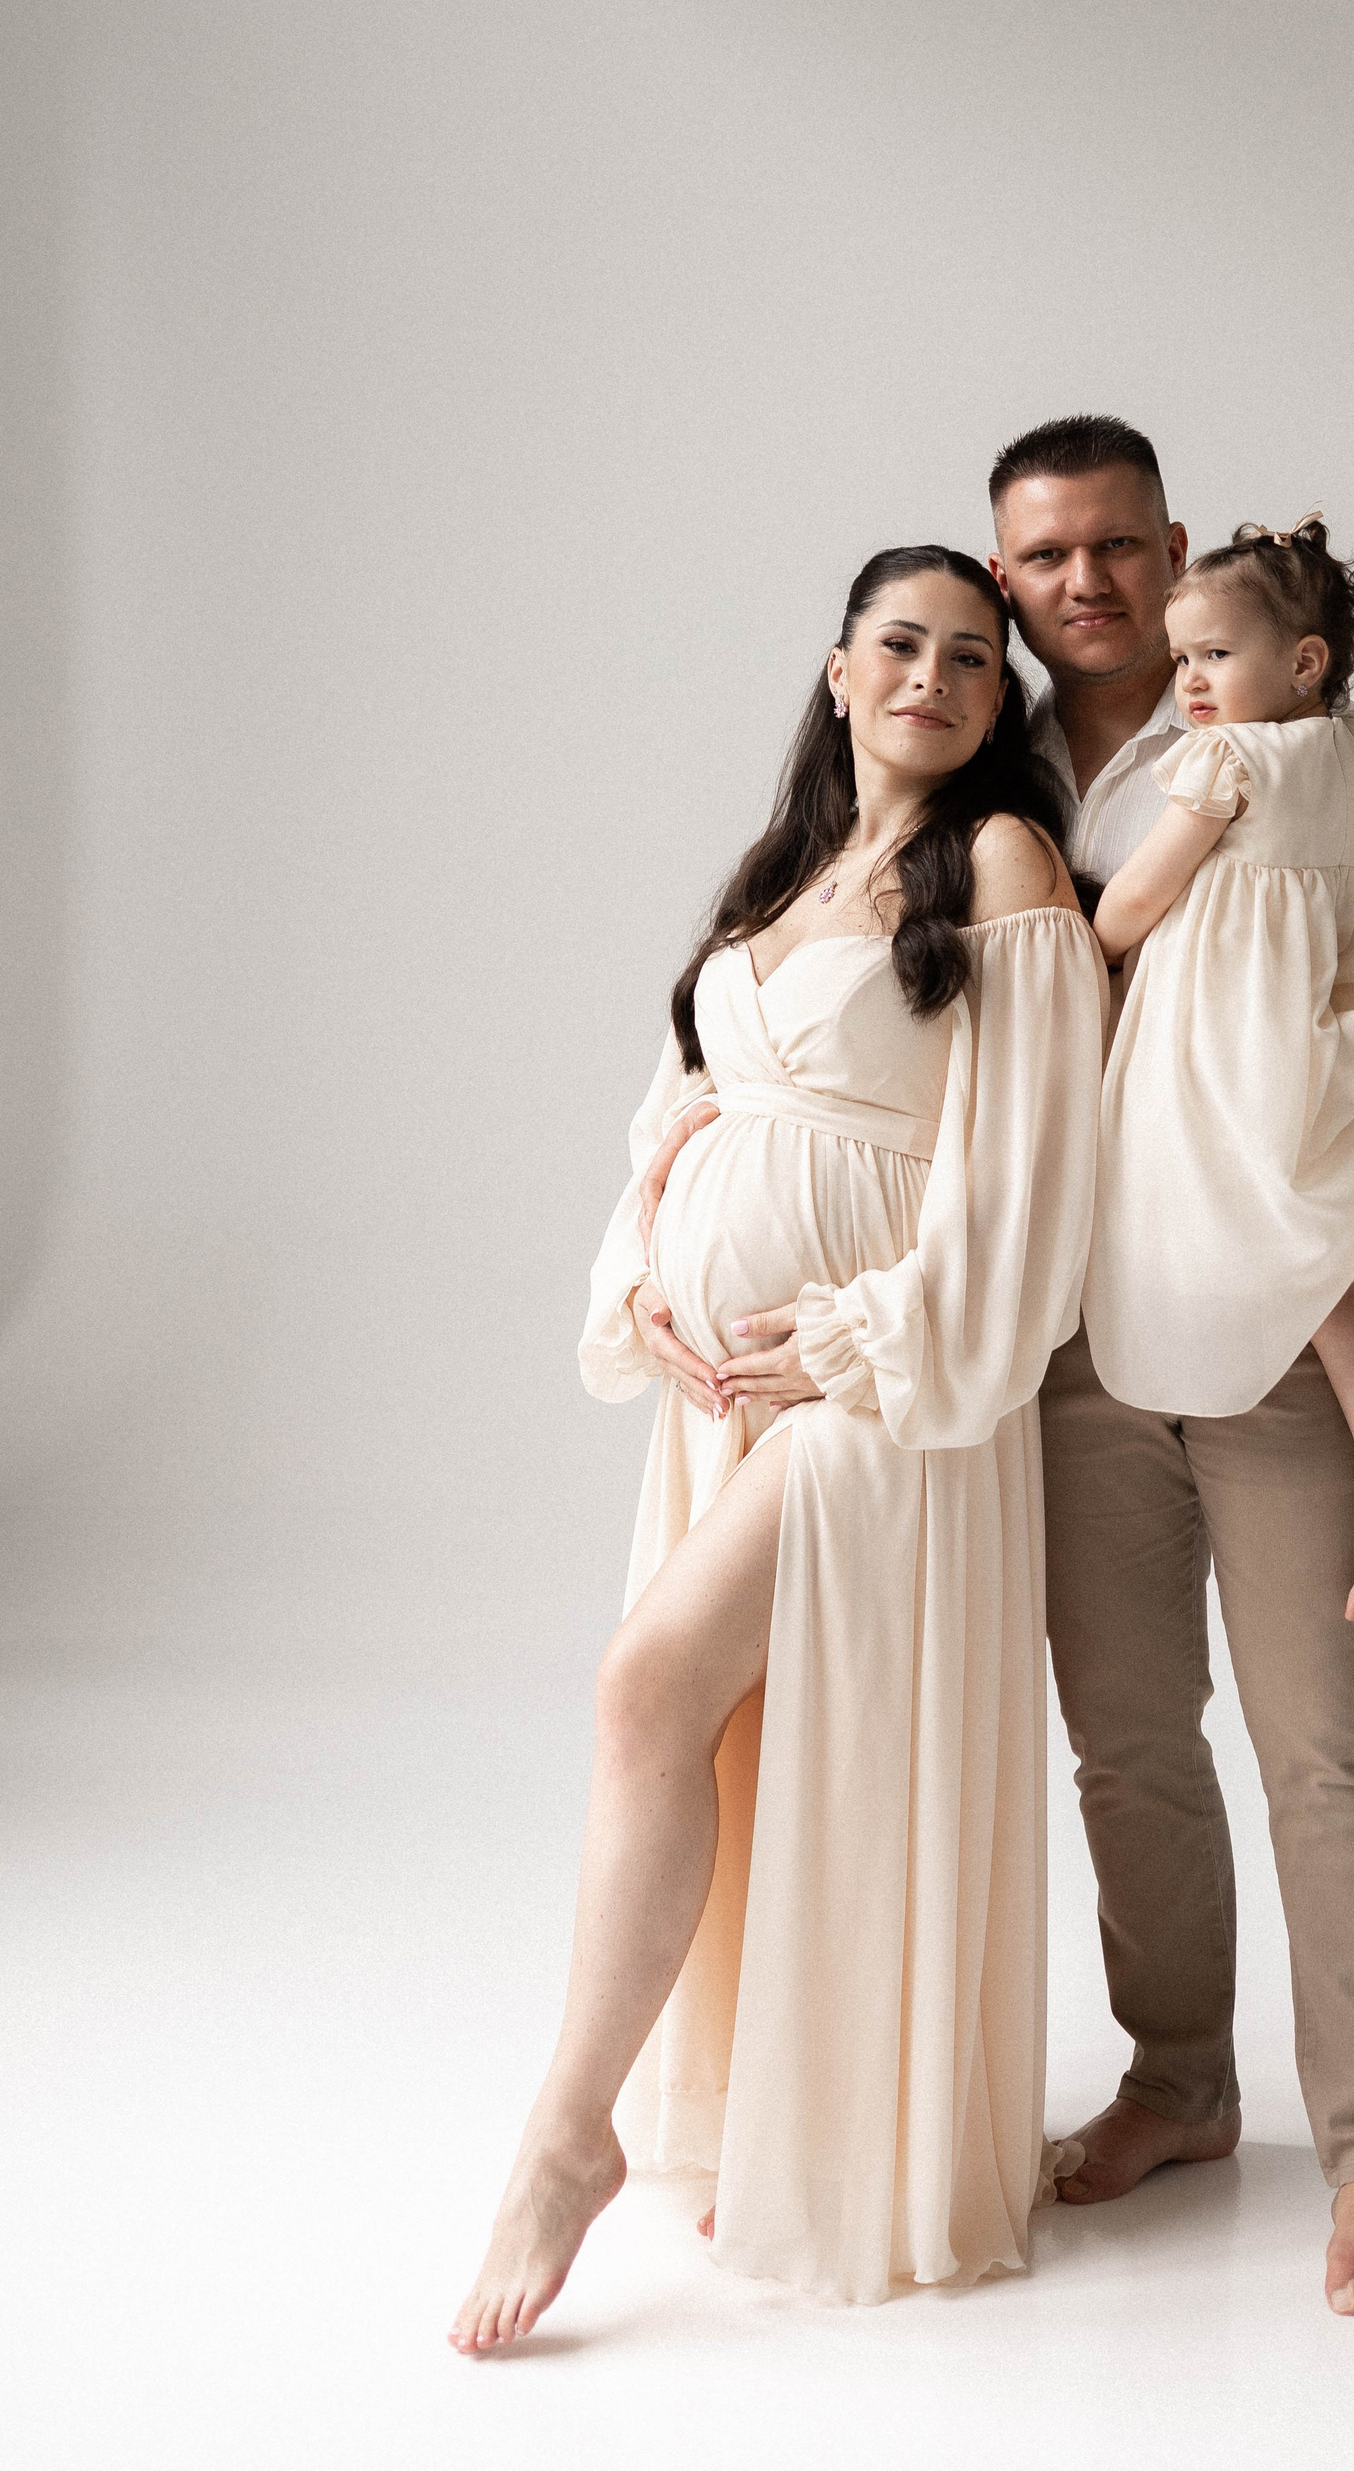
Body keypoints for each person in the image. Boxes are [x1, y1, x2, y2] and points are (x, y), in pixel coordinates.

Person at [449, 546, 1106, 2346]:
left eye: (969, 658)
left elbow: (1030, 1176)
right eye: (901, 644)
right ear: (837, 669)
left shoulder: (1002, 862)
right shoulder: (783, 873)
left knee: (651, 1691)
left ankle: (563, 2140)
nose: (932, 678)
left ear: (998, 698)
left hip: (884, 1393)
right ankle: (786, 2115)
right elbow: (678, 1122)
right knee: (760, 1754)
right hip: (730, 1399)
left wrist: (866, 1338)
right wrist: (644, 1281)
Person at [989, 417, 1354, 2320]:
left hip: (1275, 1310)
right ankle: (1180, 2086)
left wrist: (1298, 1173)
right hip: (1073, 1330)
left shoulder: (1305, 740)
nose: (1087, 583)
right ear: (1007, 576)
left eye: (1118, 546)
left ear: (1172, 544)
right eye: (1045, 557)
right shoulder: (989, 756)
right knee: (1129, 1746)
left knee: (1326, 1748)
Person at [1083, 518, 1354, 1623]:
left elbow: (1137, 899)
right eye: (1182, 658)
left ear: (1304, 659)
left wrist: (1083, 954)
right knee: (1298, 1263)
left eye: (1213, 656)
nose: (1189, 681)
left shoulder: (1224, 763)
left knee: (1209, 1222)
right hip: (1318, 1032)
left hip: (1219, 1038)